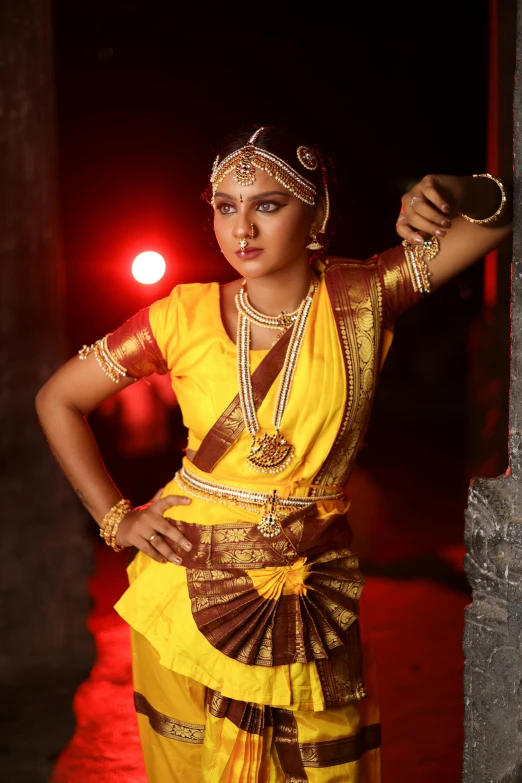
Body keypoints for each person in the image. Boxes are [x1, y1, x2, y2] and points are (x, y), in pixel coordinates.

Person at [35, 125, 512, 782]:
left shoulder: (363, 297)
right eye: (226, 206)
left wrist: (451, 188)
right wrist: (117, 516)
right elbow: (59, 398)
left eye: (268, 204)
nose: (243, 228)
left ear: (315, 213)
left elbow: (500, 216)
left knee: (326, 763)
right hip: (185, 583)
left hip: (310, 586)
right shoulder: (181, 316)